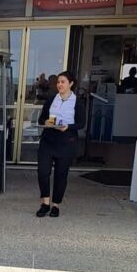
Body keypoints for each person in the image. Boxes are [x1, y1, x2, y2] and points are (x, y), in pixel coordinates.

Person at [36, 71, 86, 218]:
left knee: (61, 175)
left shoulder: (77, 102)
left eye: (63, 82)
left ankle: (55, 205)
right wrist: (46, 122)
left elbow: (81, 123)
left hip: (66, 141)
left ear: (71, 83)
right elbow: (42, 119)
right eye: (58, 82)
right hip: (48, 140)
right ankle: (45, 203)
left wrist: (68, 127)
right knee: (43, 172)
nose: (59, 84)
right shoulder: (52, 98)